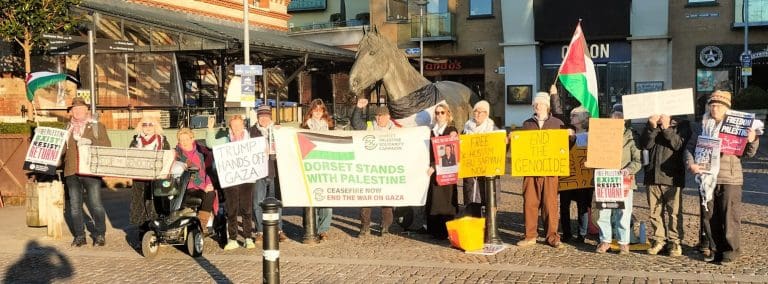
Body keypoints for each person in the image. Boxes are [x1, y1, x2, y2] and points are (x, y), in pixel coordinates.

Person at [686, 90, 759, 264]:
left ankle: (731, 251)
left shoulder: (738, 127)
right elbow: (690, 147)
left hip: (730, 178)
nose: (715, 108)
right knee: (709, 217)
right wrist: (690, 163)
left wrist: (752, 139)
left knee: (729, 216)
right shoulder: (703, 126)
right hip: (706, 179)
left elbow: (749, 153)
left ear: (727, 108)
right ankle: (715, 249)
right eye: (712, 105)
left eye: (719, 106)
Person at [639, 107, 692, 257]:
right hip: (652, 174)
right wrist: (652, 127)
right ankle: (659, 239)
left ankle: (675, 241)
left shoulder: (683, 124)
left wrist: (667, 127)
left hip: (672, 176)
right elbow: (645, 144)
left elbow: (679, 145)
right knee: (654, 212)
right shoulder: (650, 123)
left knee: (674, 212)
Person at [517, 92, 565, 249]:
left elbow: (565, 147)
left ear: (547, 106)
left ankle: (552, 236)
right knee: (530, 203)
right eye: (535, 104)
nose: (538, 106)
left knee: (549, 204)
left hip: (550, 171)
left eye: (541, 103)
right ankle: (530, 235)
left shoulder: (557, 123)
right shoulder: (526, 124)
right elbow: (521, 148)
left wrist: (569, 137)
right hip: (531, 171)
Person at [63, 97, 111, 247]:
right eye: (74, 109)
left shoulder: (97, 126)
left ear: (86, 110)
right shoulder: (66, 128)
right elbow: (62, 151)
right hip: (71, 171)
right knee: (75, 207)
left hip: (90, 170)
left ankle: (100, 234)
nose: (77, 111)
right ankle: (79, 236)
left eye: (80, 108)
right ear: (71, 112)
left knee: (95, 204)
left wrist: (91, 142)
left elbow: (107, 146)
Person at [206, 115, 258, 250]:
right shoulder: (225, 139)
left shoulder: (250, 140)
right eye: (234, 125)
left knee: (246, 208)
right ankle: (233, 238)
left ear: (243, 126)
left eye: (239, 125)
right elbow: (210, 144)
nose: (236, 128)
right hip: (230, 178)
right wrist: (210, 129)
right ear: (230, 127)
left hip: (247, 178)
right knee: (232, 208)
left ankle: (248, 237)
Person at [595, 106, 642, 254]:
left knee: (623, 212)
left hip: (624, 179)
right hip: (606, 178)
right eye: (614, 116)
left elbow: (638, 160)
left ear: (625, 120)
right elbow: (595, 154)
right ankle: (605, 240)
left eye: (620, 117)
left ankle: (623, 242)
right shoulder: (601, 134)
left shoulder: (632, 136)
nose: (616, 120)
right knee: (604, 211)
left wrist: (628, 170)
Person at [350, 98, 397, 237]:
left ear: (388, 117)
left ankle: (385, 227)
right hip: (370, 169)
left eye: (381, 115)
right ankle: (365, 227)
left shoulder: (397, 130)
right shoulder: (370, 126)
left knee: (387, 199)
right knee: (366, 198)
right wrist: (358, 108)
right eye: (376, 115)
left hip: (388, 169)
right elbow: (356, 123)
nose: (378, 118)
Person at [301, 98, 335, 241]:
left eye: (320, 110)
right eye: (315, 110)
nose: (317, 113)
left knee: (326, 200)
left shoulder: (330, 127)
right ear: (311, 111)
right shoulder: (304, 127)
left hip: (326, 167)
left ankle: (323, 229)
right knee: (311, 199)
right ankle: (311, 227)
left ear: (323, 112)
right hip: (310, 167)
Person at [128, 117, 170, 232]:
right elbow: (130, 158)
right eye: (144, 124)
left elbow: (166, 158)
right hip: (140, 179)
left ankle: (157, 233)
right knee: (140, 206)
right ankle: (142, 235)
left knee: (155, 205)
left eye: (150, 124)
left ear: (155, 126)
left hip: (156, 178)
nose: (147, 127)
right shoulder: (136, 141)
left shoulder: (162, 141)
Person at [559, 106, 593, 244]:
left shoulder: (592, 134)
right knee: (564, 205)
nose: (571, 117)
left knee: (583, 206)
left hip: (584, 177)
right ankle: (566, 233)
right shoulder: (565, 132)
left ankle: (582, 234)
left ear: (583, 119)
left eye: (575, 115)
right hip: (567, 175)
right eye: (571, 115)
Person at [253, 105, 286, 242]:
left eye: (266, 116)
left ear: (270, 117)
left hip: (274, 171)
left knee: (276, 201)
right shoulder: (251, 131)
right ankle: (260, 231)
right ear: (258, 118)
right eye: (261, 116)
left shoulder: (278, 131)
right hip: (258, 173)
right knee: (258, 202)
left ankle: (278, 229)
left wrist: (282, 133)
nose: (264, 119)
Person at [462, 100, 500, 218]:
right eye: (475, 112)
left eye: (481, 112)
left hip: (488, 174)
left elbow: (500, 151)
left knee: (489, 202)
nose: (477, 114)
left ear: (487, 113)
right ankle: (475, 231)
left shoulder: (494, 129)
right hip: (471, 174)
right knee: (472, 203)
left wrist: (505, 143)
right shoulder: (466, 129)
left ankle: (490, 231)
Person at [426, 103, 459, 239]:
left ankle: (446, 231)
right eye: (437, 113)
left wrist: (434, 165)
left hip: (447, 172)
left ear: (448, 114)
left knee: (446, 200)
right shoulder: (431, 131)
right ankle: (434, 230)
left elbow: (452, 149)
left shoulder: (451, 129)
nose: (439, 115)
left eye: (442, 112)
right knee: (434, 199)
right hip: (433, 172)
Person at [175, 128, 216, 237]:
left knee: (211, 193)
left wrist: (208, 183)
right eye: (181, 140)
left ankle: (203, 222)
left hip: (201, 185)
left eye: (186, 139)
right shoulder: (178, 155)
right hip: (185, 187)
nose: (184, 142)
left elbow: (206, 171)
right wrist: (203, 186)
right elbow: (190, 174)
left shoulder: (200, 153)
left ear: (192, 139)